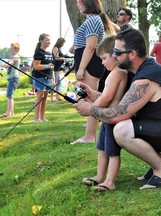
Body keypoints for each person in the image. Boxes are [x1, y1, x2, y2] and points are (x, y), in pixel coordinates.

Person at [73, 29, 161, 190]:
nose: (114, 56)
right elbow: (123, 102)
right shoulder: (136, 72)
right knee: (126, 125)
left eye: (117, 52)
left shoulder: (147, 76)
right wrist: (92, 94)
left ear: (132, 54)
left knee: (122, 129)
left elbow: (118, 114)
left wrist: (91, 110)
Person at [81, 36, 128, 191]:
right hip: (106, 120)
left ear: (115, 55)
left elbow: (108, 98)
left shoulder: (117, 73)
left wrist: (92, 108)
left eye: (104, 58)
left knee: (113, 152)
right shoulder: (113, 73)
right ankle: (99, 176)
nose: (102, 62)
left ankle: (110, 181)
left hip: (112, 120)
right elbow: (104, 95)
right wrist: (90, 94)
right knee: (102, 149)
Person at [69, 0, 105, 144]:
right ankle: (89, 135)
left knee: (90, 100)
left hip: (89, 65)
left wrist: (82, 68)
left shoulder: (93, 20)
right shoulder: (92, 20)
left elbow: (90, 47)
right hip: (86, 62)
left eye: (80, 2)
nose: (78, 5)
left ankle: (90, 136)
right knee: (87, 98)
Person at [32, 33, 55, 123]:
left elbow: (52, 67)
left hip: (48, 78)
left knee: (45, 98)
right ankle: (36, 118)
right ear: (41, 41)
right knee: (39, 98)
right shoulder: (38, 52)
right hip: (40, 77)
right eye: (47, 40)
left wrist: (53, 79)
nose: (49, 42)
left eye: (49, 40)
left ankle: (42, 117)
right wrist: (47, 66)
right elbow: (36, 66)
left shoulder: (49, 53)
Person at [0, 43, 21, 118]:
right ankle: (11, 112)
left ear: (16, 50)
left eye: (11, 49)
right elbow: (6, 63)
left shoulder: (16, 57)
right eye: (10, 49)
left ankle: (8, 113)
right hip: (11, 78)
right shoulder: (12, 57)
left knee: (9, 95)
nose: (10, 50)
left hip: (14, 78)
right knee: (10, 96)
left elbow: (8, 65)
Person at [51, 37, 67, 102]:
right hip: (54, 68)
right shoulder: (55, 48)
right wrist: (64, 58)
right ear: (60, 43)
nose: (63, 45)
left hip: (58, 69)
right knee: (54, 83)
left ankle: (58, 96)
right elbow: (56, 57)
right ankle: (52, 97)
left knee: (58, 83)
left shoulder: (59, 49)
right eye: (63, 43)